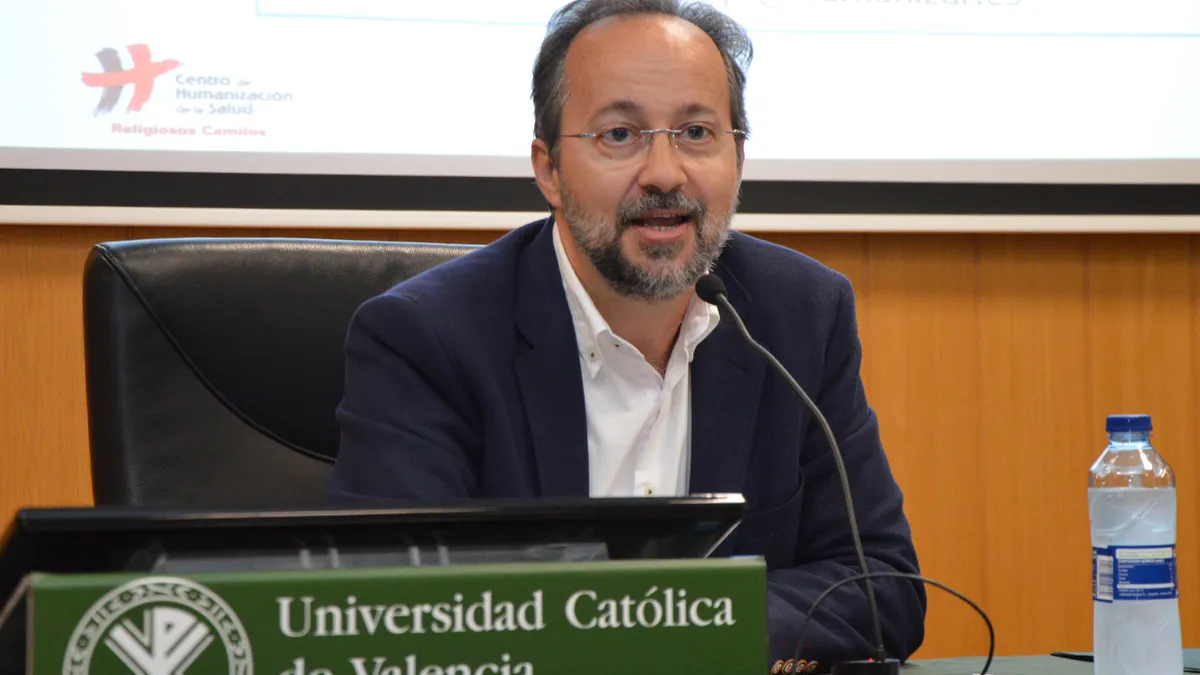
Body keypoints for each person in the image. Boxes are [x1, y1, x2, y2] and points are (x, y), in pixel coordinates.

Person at [329, 0, 926, 668]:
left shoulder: (800, 316)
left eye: (696, 132)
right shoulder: (427, 338)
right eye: (620, 134)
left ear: (738, 158)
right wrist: (652, 628)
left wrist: (688, 630)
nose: (665, 173)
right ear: (549, 169)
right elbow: (391, 609)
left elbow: (882, 584)